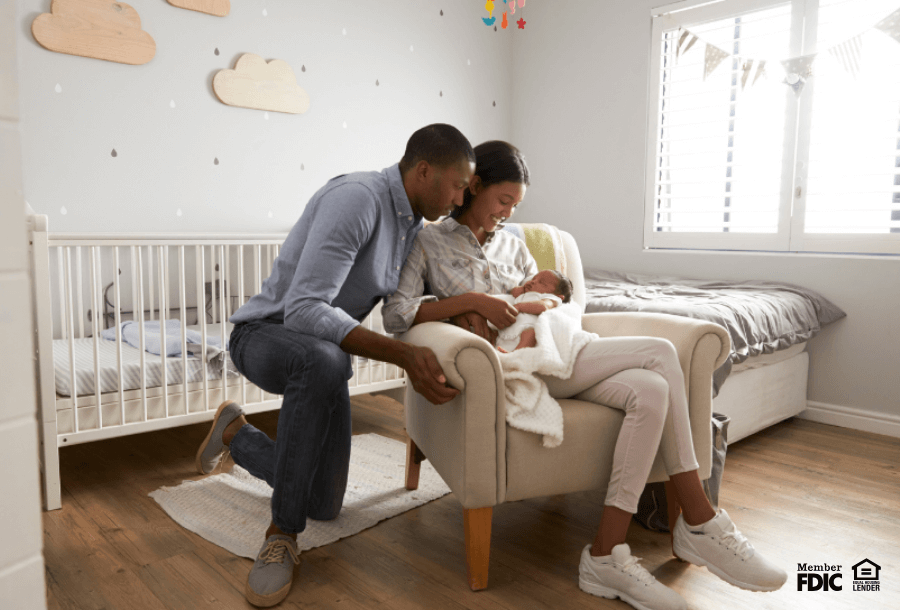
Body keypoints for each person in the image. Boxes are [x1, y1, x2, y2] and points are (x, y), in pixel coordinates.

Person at [382, 140, 787, 610]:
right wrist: (472, 302)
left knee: (652, 389)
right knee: (659, 354)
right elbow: (397, 314)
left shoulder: (515, 247)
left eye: (516, 205)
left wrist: (542, 304)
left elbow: (556, 306)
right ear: (474, 187)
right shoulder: (427, 241)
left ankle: (605, 554)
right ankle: (700, 518)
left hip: (555, 354)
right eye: (503, 201)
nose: (508, 214)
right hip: (509, 369)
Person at [194, 124, 476, 607]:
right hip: (263, 335)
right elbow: (303, 309)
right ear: (424, 172)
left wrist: (473, 305)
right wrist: (405, 355)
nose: (459, 198)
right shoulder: (359, 199)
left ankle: (235, 435)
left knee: (324, 504)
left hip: (321, 360)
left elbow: (400, 309)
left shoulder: (413, 225)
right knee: (328, 359)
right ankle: (281, 535)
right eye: (457, 186)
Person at [490, 269, 574, 352]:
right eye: (533, 279)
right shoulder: (525, 294)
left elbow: (544, 306)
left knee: (530, 333)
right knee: (493, 333)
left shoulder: (551, 298)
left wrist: (519, 307)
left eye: (542, 282)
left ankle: (515, 355)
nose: (533, 282)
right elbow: (510, 293)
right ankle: (498, 353)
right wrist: (518, 290)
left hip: (527, 329)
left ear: (559, 296)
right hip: (508, 331)